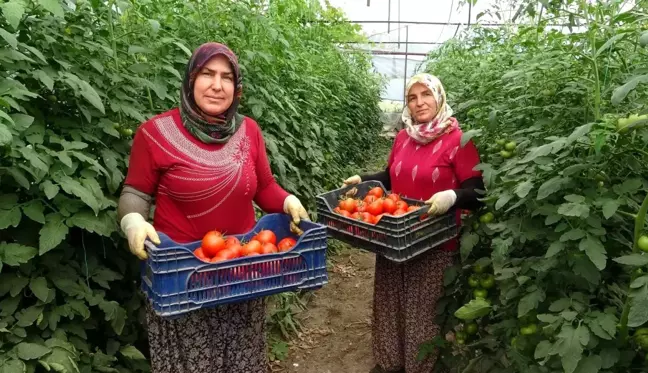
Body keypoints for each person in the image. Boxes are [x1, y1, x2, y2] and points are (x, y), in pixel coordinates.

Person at [117, 42, 309, 373]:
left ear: (237, 88)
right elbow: (135, 190)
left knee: (242, 359)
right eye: (207, 74)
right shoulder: (155, 133)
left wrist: (287, 199)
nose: (217, 85)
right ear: (191, 79)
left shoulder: (249, 131)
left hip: (243, 273)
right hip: (183, 278)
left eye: (226, 77)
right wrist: (132, 219)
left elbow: (263, 187)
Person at [343, 73, 484, 373]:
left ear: (439, 97)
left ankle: (420, 366)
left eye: (426, 95)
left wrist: (452, 196)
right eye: (412, 97)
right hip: (395, 233)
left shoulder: (459, 140)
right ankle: (389, 363)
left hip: (434, 241)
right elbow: (391, 177)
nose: (419, 103)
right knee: (390, 303)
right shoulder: (403, 138)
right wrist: (364, 179)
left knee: (423, 311)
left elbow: (479, 191)